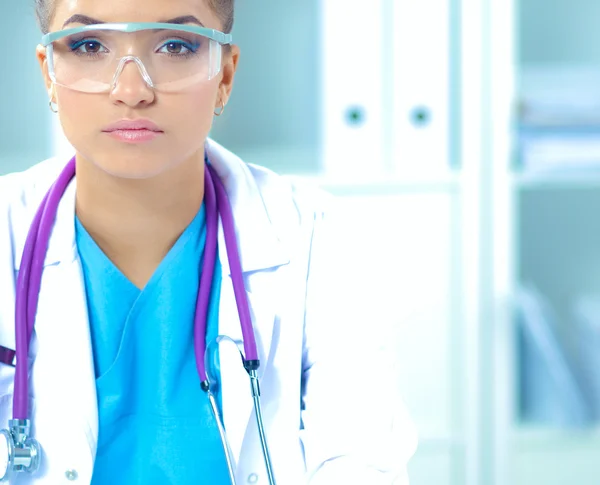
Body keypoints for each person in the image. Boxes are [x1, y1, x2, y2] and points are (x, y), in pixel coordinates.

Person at [0, 0, 417, 483]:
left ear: (224, 75)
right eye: (89, 45)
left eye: (175, 45)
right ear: (49, 73)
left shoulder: (316, 237)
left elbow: (360, 461)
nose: (131, 90)